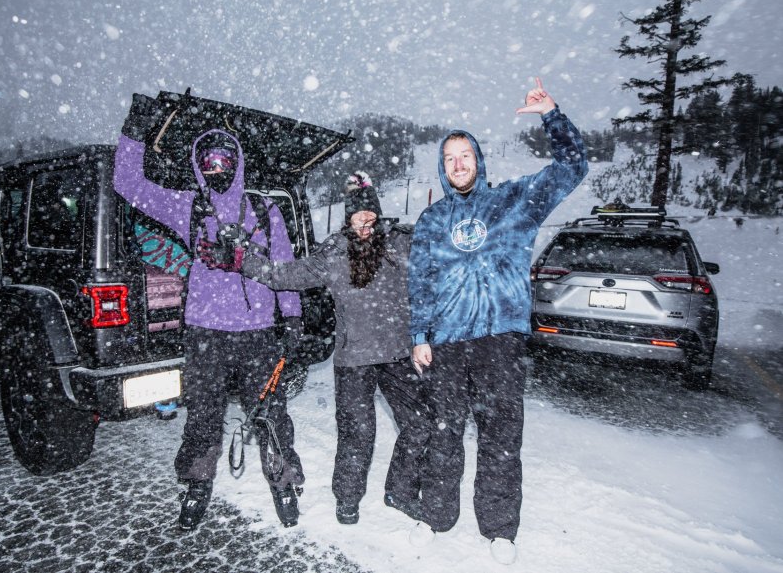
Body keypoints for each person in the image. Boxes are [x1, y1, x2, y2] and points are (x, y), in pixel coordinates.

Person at [408, 77, 588, 564]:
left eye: (465, 155)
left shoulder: (514, 202)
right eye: (450, 158)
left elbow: (573, 167)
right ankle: (436, 516)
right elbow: (420, 282)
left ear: (478, 160)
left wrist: (552, 115)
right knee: (443, 432)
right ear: (442, 169)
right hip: (445, 344)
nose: (458, 163)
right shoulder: (430, 221)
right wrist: (420, 335)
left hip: (499, 341)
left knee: (502, 438)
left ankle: (500, 528)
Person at [200, 172, 437, 528]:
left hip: (399, 354)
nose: (364, 223)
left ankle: (400, 491)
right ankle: (347, 497)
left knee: (421, 424)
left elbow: (441, 258)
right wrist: (240, 259)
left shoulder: (401, 245)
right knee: (359, 433)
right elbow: (282, 275)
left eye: (370, 216)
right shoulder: (334, 253)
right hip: (354, 359)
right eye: (357, 216)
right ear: (347, 218)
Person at [113, 127, 306, 530]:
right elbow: (127, 184)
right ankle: (198, 483)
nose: (216, 168)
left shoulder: (264, 210)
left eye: (223, 160)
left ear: (236, 162)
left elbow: (284, 267)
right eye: (208, 162)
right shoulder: (190, 207)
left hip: (258, 334)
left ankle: (283, 481)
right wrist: (134, 135)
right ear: (200, 167)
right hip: (206, 333)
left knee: (271, 414)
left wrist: (292, 318)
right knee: (202, 415)